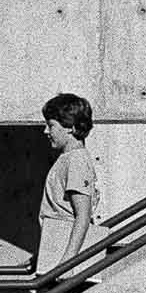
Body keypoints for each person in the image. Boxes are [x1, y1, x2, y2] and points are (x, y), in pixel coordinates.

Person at [36, 92, 100, 275]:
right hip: (54, 248)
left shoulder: (76, 160)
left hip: (63, 258)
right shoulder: (67, 159)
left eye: (51, 125)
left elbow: (83, 215)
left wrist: (67, 262)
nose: (46, 131)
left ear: (70, 127)